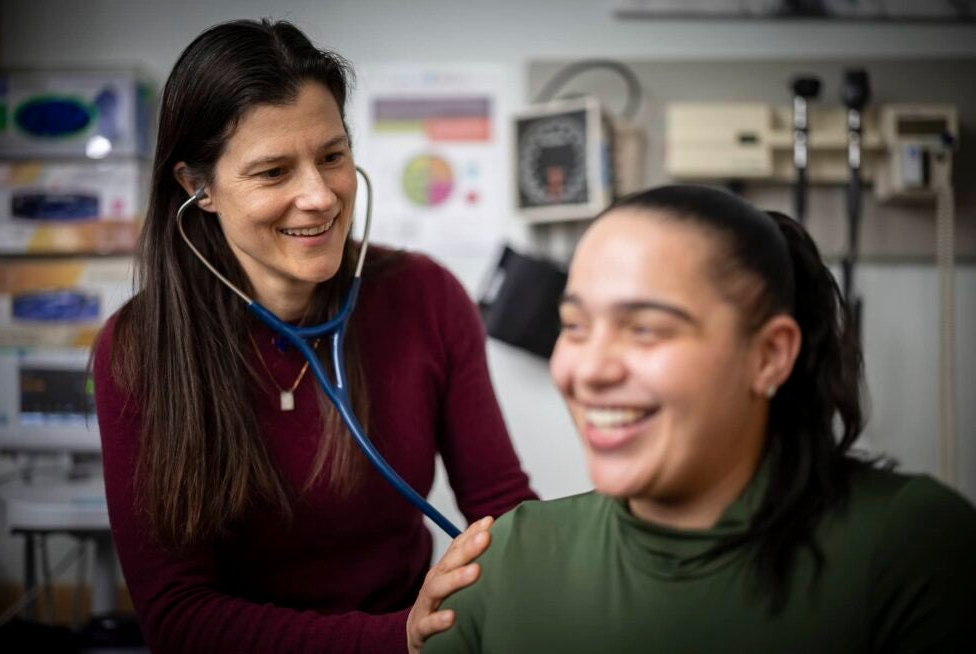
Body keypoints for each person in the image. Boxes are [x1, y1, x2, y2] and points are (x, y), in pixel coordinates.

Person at [92, 19, 536, 654]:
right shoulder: (138, 349)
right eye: (274, 172)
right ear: (199, 188)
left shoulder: (425, 297)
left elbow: (502, 507)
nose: (320, 196)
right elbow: (178, 616)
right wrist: (395, 639)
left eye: (332, 156)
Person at [425, 185, 976, 653]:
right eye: (575, 326)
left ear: (767, 356)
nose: (588, 370)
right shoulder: (501, 563)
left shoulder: (912, 548)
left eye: (644, 328)